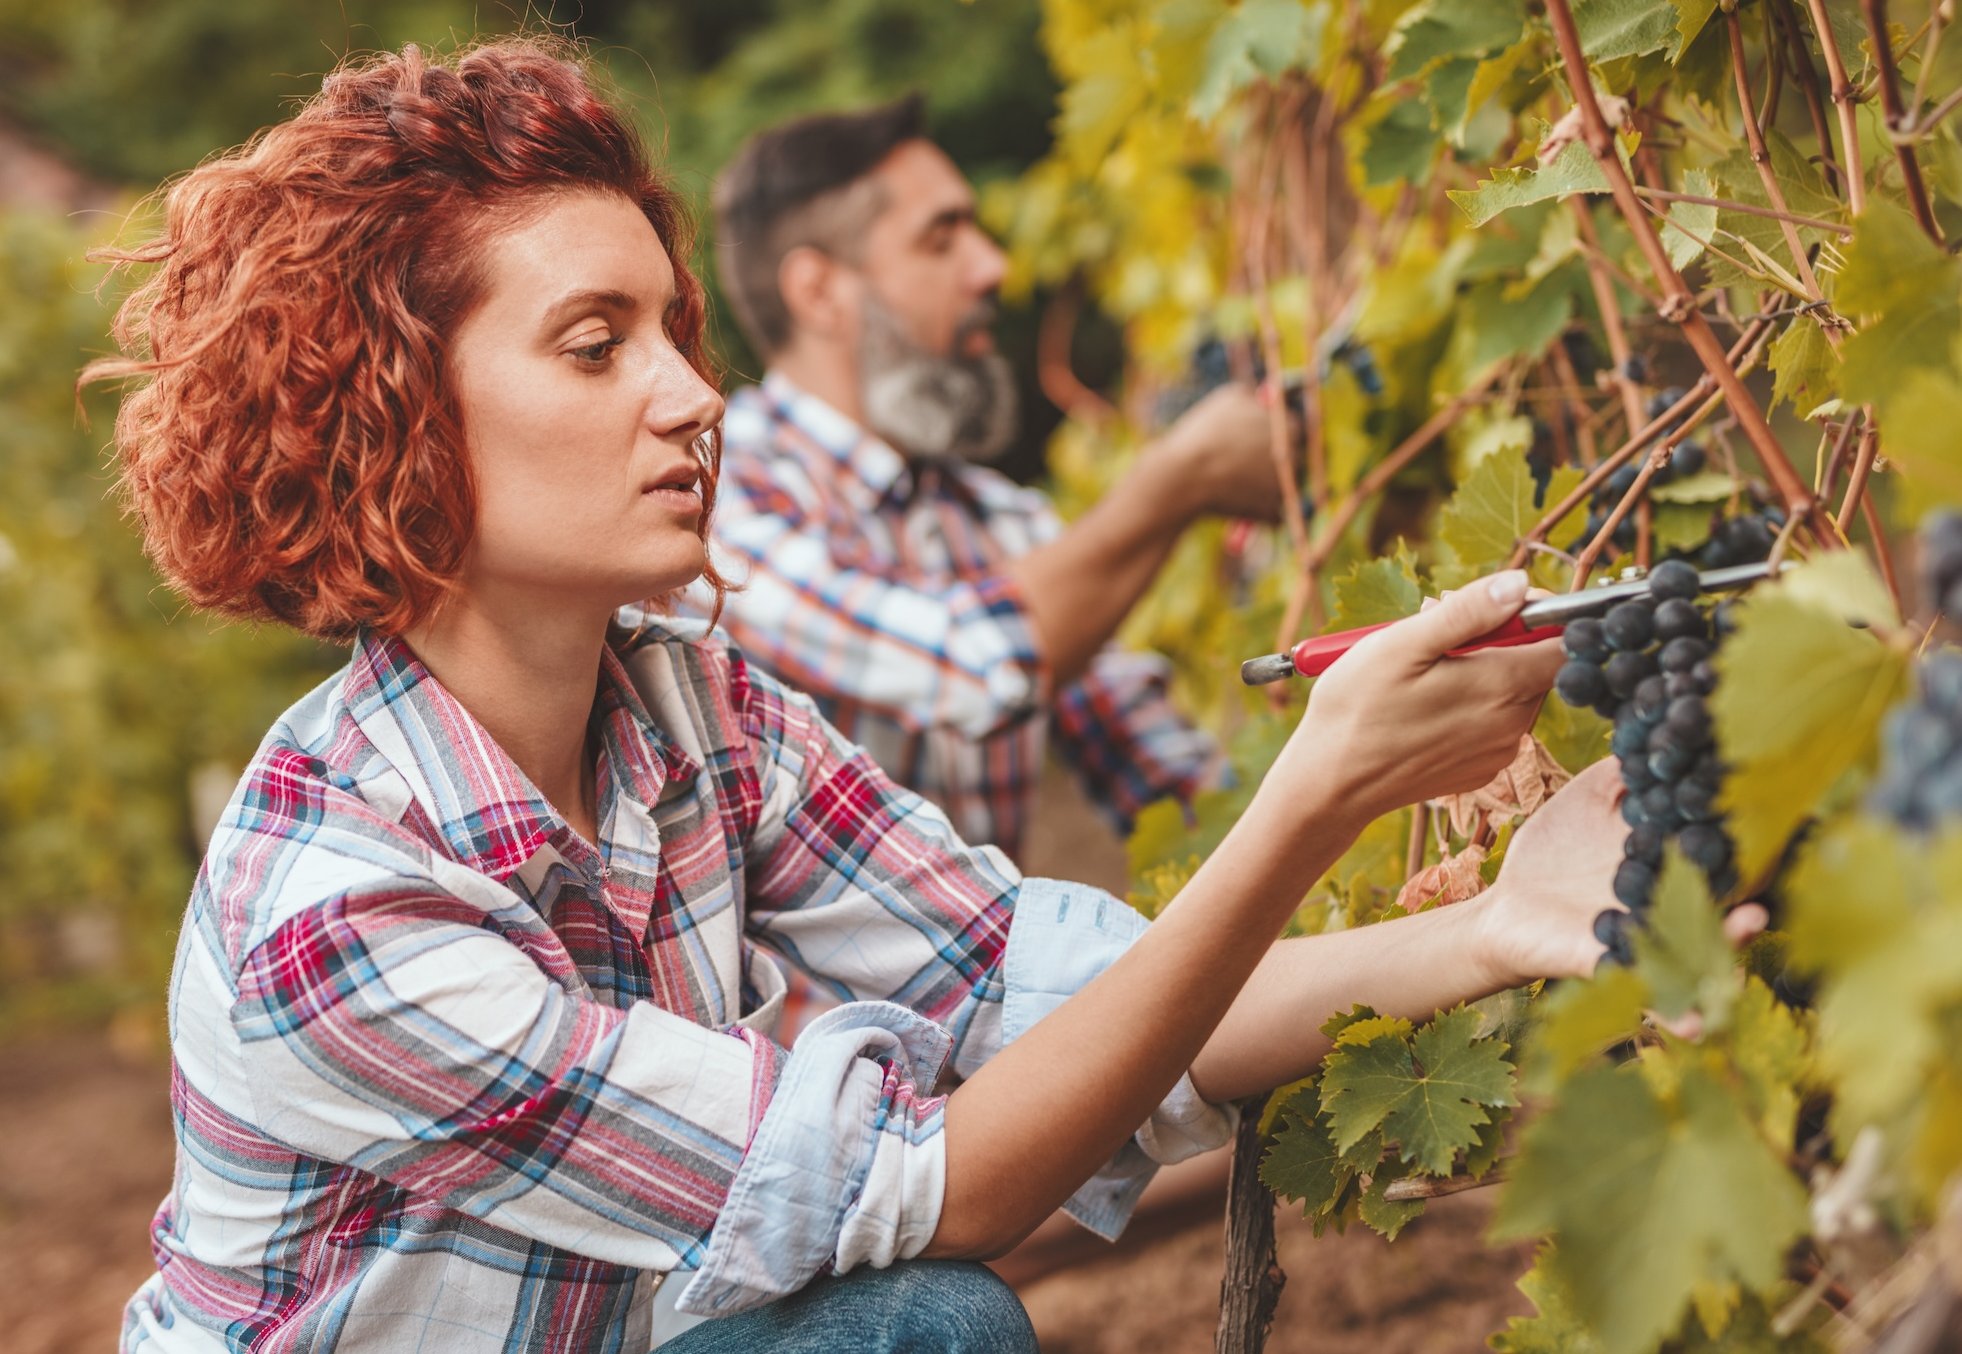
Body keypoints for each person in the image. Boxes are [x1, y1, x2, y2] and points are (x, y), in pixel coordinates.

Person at [89, 36, 1635, 1354]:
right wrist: (1310, 796)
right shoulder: (340, 908)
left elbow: (1040, 990)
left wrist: (1489, 925)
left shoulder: (698, 716)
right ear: (400, 417)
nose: (695, 395)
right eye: (592, 346)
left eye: (669, 331)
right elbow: (946, 1188)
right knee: (921, 1317)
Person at [699, 94, 1279, 863]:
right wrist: (1175, 481)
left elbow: (1177, 785)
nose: (993, 266)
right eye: (941, 240)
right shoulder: (715, 501)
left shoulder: (1000, 520)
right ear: (819, 292)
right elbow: (972, 670)